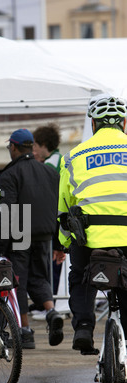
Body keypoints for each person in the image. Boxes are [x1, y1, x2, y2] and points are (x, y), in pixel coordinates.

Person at [58, 93, 127, 353]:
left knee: (80, 275)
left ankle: (84, 327)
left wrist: (65, 241)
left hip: (90, 237)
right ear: (123, 123)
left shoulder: (74, 156)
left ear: (94, 124)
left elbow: (65, 206)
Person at [0, 128, 65, 349]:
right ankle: (51, 312)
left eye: (9, 147)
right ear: (31, 146)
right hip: (45, 235)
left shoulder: (10, 175)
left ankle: (25, 331)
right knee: (41, 278)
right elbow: (59, 208)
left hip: (20, 235)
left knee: (19, 282)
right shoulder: (50, 173)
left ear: (14, 147)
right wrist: (58, 242)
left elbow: (7, 213)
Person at [32, 123, 64, 311]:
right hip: (56, 218)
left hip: (53, 219)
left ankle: (48, 305)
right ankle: (48, 303)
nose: (34, 150)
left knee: (51, 264)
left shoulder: (51, 163)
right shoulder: (57, 159)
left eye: (35, 145)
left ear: (44, 144)